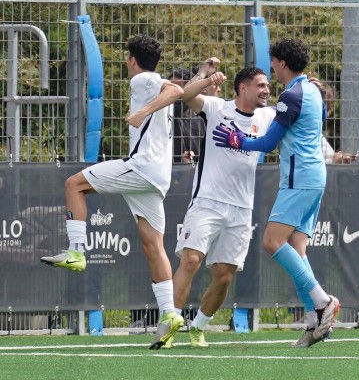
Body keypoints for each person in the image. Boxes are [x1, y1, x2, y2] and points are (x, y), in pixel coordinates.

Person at [40, 35, 186, 350]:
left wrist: (141, 112)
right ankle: (169, 314)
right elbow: (179, 90)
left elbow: (176, 91)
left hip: (142, 168)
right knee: (153, 245)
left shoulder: (143, 80)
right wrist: (205, 77)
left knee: (74, 184)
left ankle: (76, 251)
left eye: (126, 57)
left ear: (132, 59)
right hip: (158, 176)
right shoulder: (155, 82)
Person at [213, 38, 340, 348]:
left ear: (282, 63)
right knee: (297, 249)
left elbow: (268, 143)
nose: (271, 68)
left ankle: (323, 301)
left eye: (272, 62)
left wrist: (238, 141)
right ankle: (314, 321)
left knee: (272, 241)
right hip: (314, 176)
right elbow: (321, 118)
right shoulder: (311, 89)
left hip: (299, 178)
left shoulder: (292, 95)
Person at [167, 66, 274, 348]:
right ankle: (168, 326)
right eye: (261, 85)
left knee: (224, 276)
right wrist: (205, 76)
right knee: (190, 260)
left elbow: (301, 115)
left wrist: (313, 92)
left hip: (241, 208)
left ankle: (198, 327)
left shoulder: (267, 116)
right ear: (243, 88)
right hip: (208, 202)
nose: (266, 90)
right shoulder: (217, 108)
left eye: (267, 85)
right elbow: (185, 94)